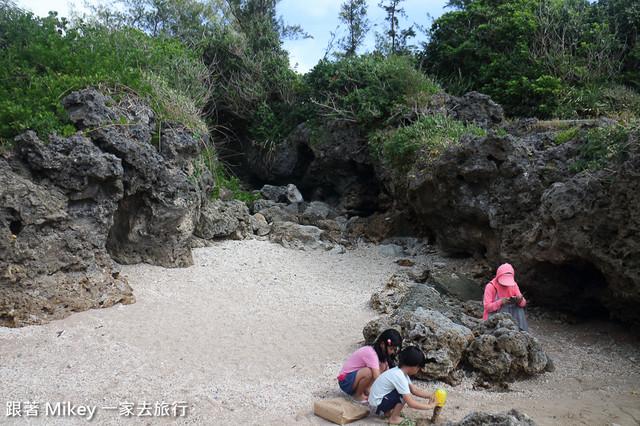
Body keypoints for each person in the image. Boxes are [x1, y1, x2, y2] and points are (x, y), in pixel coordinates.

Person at [368, 346, 437, 426]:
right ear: (415, 367)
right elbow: (410, 403)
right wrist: (429, 407)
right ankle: (394, 418)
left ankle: (387, 413)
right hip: (376, 406)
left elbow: (414, 390)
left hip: (375, 403)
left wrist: (431, 396)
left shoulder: (399, 371)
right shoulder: (400, 377)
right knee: (403, 393)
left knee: (404, 390)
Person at [337, 329, 402, 403]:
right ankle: (358, 395)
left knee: (384, 366)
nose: (392, 352)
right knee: (368, 372)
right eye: (391, 349)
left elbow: (386, 373)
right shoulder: (371, 353)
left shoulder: (382, 355)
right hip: (345, 381)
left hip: (355, 379)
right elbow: (377, 377)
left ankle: (366, 390)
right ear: (382, 344)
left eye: (394, 350)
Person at [482, 263, 528, 331]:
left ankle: (521, 330)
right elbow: (487, 307)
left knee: (519, 307)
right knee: (503, 302)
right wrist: (500, 302)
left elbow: (523, 303)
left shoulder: (513, 285)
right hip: (493, 318)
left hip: (511, 316)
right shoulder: (491, 286)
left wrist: (520, 300)